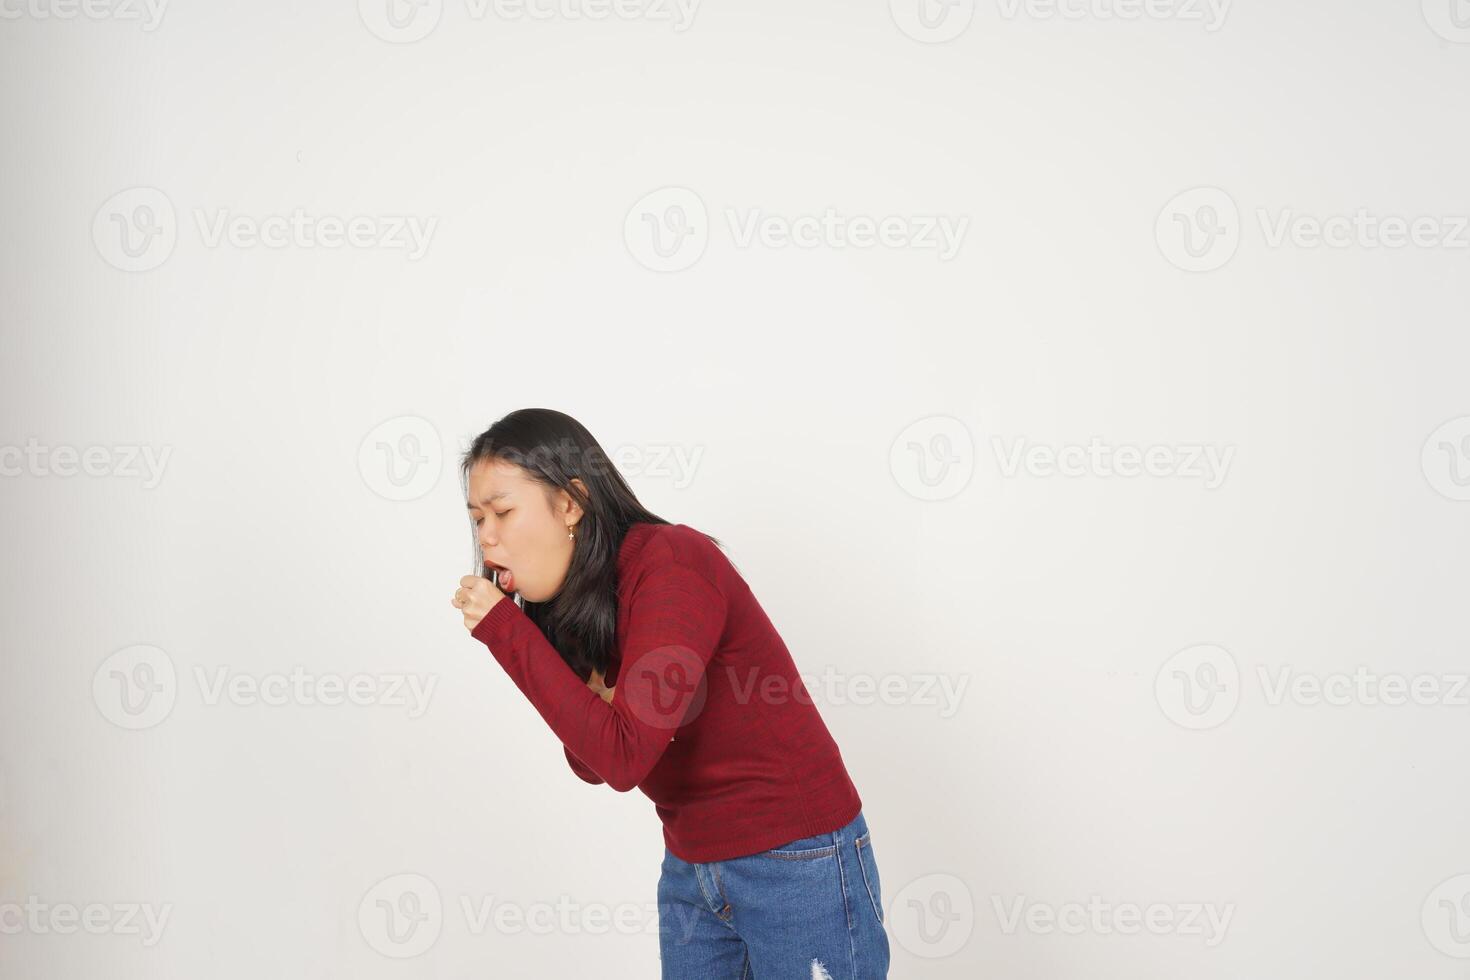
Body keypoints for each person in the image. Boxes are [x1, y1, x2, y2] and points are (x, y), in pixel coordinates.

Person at [449, 408, 891, 978]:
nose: (486, 537)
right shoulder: (577, 599)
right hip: (692, 868)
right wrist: (537, 639)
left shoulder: (672, 565)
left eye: (503, 512)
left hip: (794, 861)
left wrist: (507, 635)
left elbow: (624, 755)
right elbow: (593, 759)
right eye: (477, 517)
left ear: (569, 503)